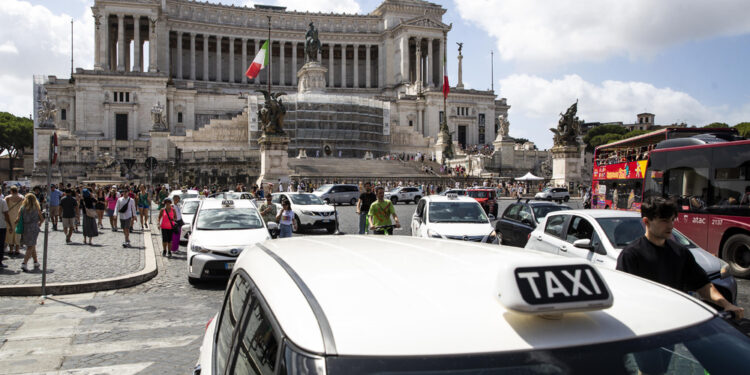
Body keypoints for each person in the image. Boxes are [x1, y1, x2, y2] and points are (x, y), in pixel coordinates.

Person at [617, 196, 744, 317]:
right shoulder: (631, 255)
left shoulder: (680, 252)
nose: (670, 225)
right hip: (646, 323)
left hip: (678, 320)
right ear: (646, 222)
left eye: (672, 220)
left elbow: (704, 286)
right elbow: (624, 296)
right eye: (664, 221)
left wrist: (727, 305)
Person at [19, 193, 44, 272]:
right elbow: (42, 219)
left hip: (25, 227)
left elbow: (18, 218)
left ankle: (35, 261)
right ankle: (24, 263)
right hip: (34, 227)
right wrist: (39, 223)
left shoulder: (22, 208)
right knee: (31, 246)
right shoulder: (36, 208)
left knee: (32, 245)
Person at [5, 186, 24, 257]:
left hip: (9, 217)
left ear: (11, 191)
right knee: (17, 233)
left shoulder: (7, 198)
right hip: (18, 217)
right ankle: (17, 249)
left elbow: (5, 208)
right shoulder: (22, 198)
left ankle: (10, 249)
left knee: (9, 232)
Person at [0, 191, 9, 268]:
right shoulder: (2, 201)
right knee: (1, 244)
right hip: (1, 225)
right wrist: (9, 224)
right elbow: (6, 214)